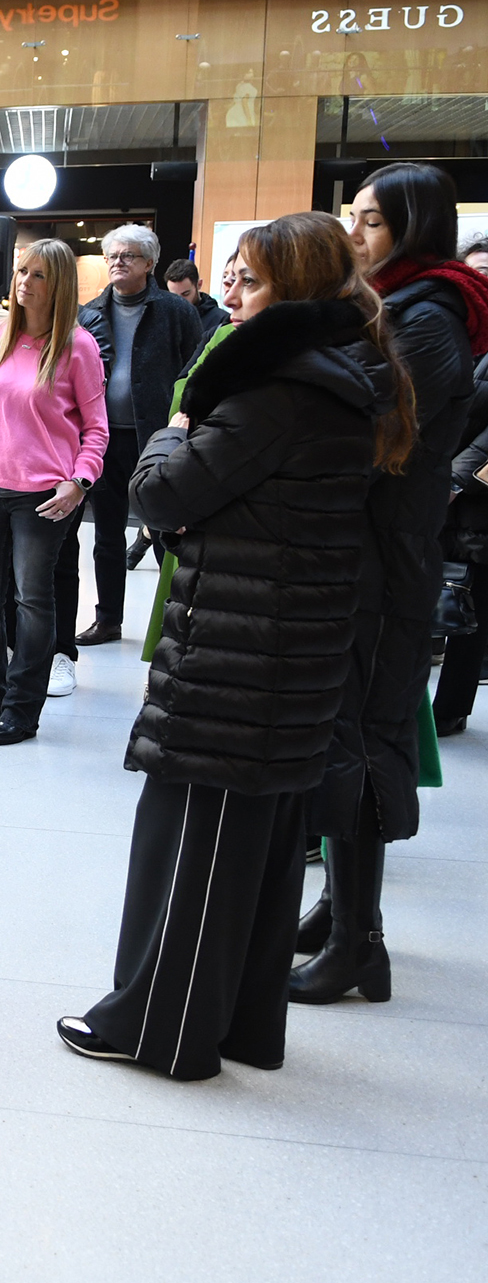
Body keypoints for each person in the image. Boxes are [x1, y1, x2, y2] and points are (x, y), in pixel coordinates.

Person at [58, 211, 414, 1081]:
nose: (232, 295)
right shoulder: (337, 374)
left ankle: (162, 1031)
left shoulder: (278, 385)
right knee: (252, 850)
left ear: (295, 289)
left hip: (243, 650)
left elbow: (160, 493)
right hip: (284, 644)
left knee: (199, 842)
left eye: (250, 280)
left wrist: (174, 430)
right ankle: (241, 1025)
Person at [293, 162, 488, 1005]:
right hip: (367, 547)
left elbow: (376, 432)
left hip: (386, 553)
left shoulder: (429, 314)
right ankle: (342, 908)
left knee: (364, 740)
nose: (355, 234)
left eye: (372, 221)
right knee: (345, 733)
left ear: (414, 227)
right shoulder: (395, 304)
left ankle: (358, 945)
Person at [0, 239, 108, 745]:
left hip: (42, 497)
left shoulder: (78, 346)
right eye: (20, 272)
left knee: (33, 601)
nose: (23, 283)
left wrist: (79, 481)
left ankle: (22, 707)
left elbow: (97, 429)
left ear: (58, 285)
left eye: (37, 275)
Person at [67, 227, 202, 652]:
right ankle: (108, 620)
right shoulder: (90, 312)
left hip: (158, 440)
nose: (117, 262)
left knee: (164, 533)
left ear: (149, 263)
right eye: (112, 255)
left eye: (128, 255)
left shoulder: (174, 311)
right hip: (103, 439)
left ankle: (173, 622)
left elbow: (194, 370)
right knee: (106, 535)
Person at [433, 237, 488, 736]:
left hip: (475, 495)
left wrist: (458, 477)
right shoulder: (450, 331)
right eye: (473, 271)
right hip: (427, 484)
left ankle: (449, 709)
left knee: (470, 602)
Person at [163, 259, 230, 337]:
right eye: (174, 296)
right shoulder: (164, 318)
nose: (180, 301)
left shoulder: (221, 319)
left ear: (199, 284)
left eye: (185, 294)